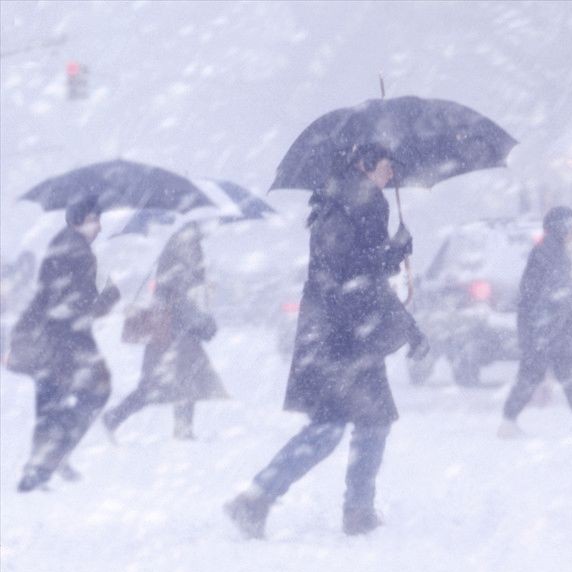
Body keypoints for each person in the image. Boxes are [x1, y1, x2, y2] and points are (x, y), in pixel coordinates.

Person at [224, 143, 428, 538]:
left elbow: (356, 269)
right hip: (342, 337)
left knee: (351, 424)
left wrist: (390, 256)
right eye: (387, 166)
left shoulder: (345, 200)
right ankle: (332, 507)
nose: (392, 175)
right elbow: (353, 274)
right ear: (364, 164)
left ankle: (271, 499)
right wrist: (392, 255)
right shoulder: (358, 203)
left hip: (339, 334)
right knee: (343, 425)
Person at [7, 195, 120, 491]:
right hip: (66, 340)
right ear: (76, 221)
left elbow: (56, 296)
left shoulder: (64, 245)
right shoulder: (78, 252)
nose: (98, 226)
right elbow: (78, 302)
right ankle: (48, 461)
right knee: (94, 393)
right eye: (93, 219)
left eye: (99, 219)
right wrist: (107, 294)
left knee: (51, 401)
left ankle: (43, 465)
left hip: (51, 337)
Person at [102, 221, 226, 441]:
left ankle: (180, 429)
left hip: (171, 330)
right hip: (176, 332)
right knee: (169, 384)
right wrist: (203, 322)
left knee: (180, 382)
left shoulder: (177, 248)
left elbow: (180, 293)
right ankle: (116, 418)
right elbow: (184, 298)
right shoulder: (186, 251)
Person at [498, 206, 572, 439]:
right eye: (570, 226)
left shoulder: (551, 249)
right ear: (561, 227)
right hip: (544, 326)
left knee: (554, 371)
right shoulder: (551, 251)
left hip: (546, 326)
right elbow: (559, 289)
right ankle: (509, 423)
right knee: (539, 373)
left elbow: (558, 288)